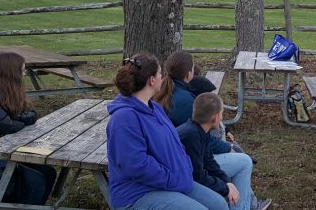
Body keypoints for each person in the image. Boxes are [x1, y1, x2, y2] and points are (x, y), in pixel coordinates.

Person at [106, 53, 226, 210]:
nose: (163, 78)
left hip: (171, 181)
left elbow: (174, 144)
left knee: (219, 204)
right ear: (152, 80)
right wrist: (174, 179)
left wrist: (184, 170)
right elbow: (138, 166)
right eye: (160, 74)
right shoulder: (124, 118)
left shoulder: (154, 108)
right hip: (138, 194)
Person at [154, 50, 269, 210]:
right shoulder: (186, 103)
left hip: (179, 156)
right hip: (182, 163)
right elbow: (205, 145)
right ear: (188, 74)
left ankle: (248, 201)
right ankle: (245, 205)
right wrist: (229, 148)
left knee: (237, 154)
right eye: (193, 68)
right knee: (244, 162)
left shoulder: (167, 91)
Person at [0, 52, 57, 205]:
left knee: (48, 171)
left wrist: (14, 119)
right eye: (22, 70)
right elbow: (6, 125)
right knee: (35, 181)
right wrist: (16, 120)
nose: (24, 74)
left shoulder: (1, 86)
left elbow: (29, 114)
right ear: (11, 72)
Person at [177, 93, 271, 210]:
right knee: (220, 204)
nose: (222, 118)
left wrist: (227, 182)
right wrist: (224, 188)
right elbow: (198, 175)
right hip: (181, 183)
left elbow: (209, 161)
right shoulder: (192, 136)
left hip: (190, 178)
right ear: (215, 118)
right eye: (221, 114)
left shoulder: (199, 130)